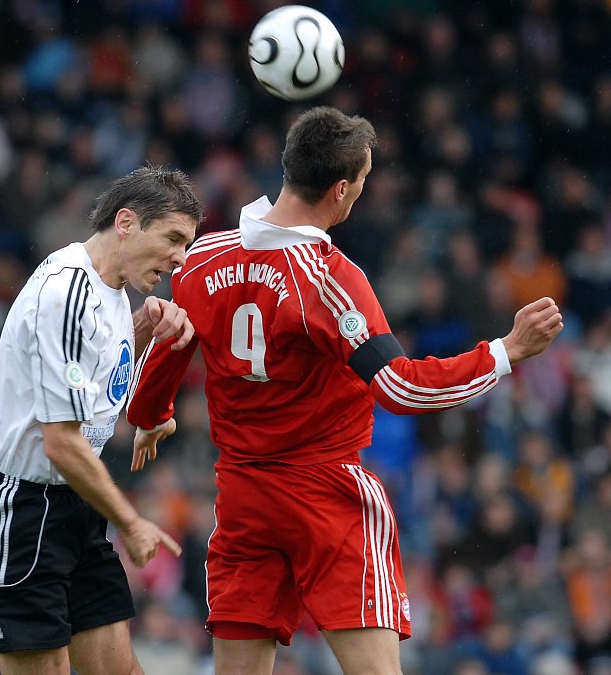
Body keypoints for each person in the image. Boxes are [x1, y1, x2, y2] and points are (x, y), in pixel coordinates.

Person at [126, 107, 564, 675]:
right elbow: (402, 388)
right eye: (362, 181)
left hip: (242, 496)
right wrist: (506, 352)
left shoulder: (203, 258)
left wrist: (151, 410)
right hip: (324, 496)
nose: (360, 191)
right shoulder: (329, 279)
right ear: (341, 189)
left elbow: (171, 334)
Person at [0, 166, 203, 675]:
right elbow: (62, 444)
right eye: (174, 239)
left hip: (74, 504)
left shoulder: (111, 290)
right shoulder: (67, 291)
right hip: (22, 510)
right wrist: (130, 522)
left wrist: (142, 332)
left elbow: (95, 379)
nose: (181, 257)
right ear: (127, 222)